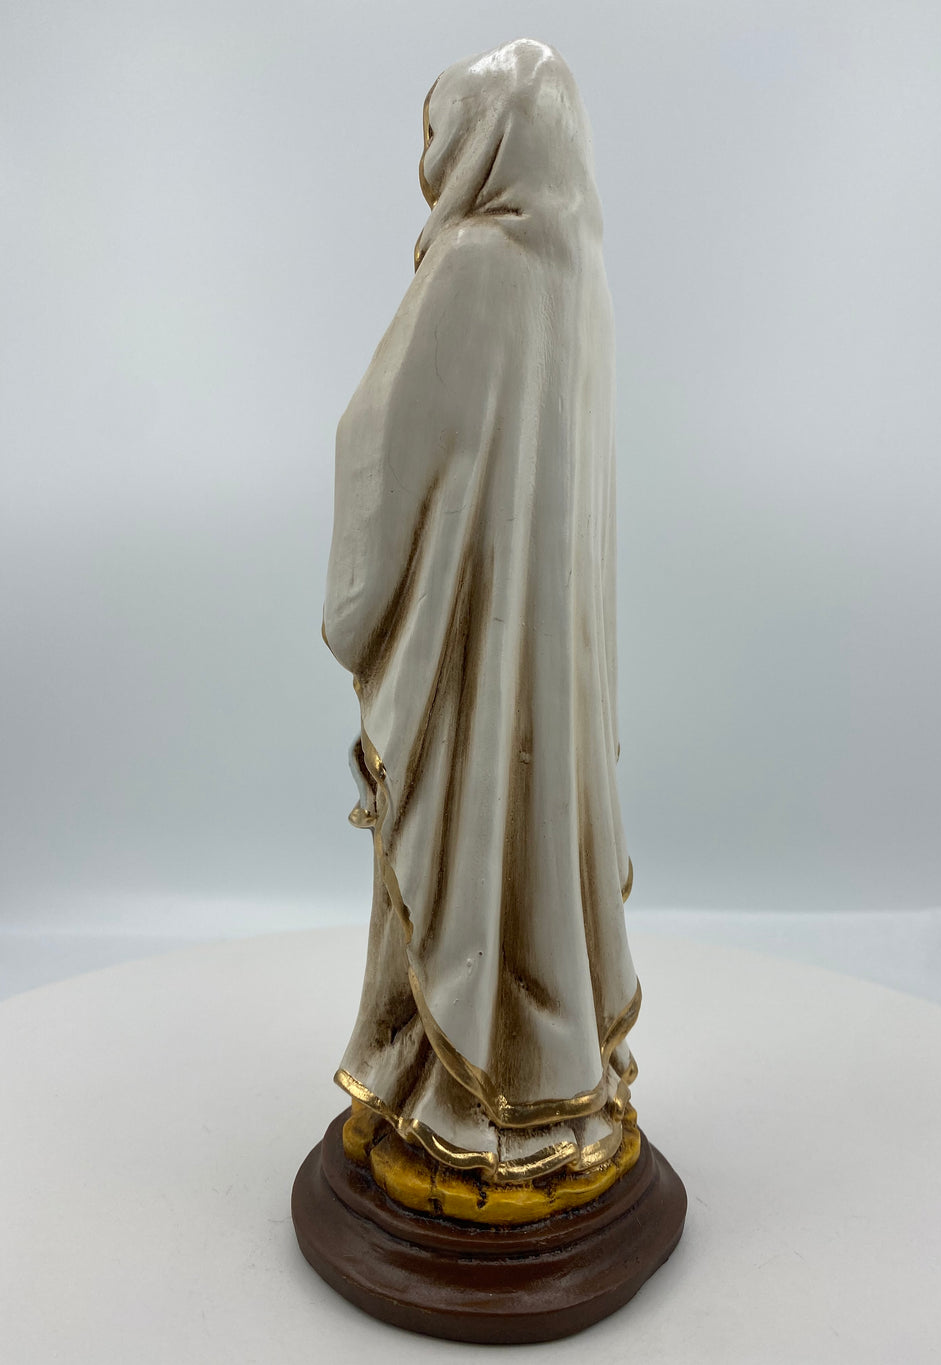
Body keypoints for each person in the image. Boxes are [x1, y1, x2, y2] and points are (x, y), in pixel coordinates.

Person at [323, 38, 638, 1182]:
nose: (432, 165)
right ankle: (549, 1071)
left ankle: (460, 1099)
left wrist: (361, 604)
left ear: (487, 137)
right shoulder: (577, 272)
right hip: (548, 654)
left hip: (464, 648)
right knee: (532, 846)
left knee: (462, 841)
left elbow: (377, 435)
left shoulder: (472, 266)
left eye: (442, 135)